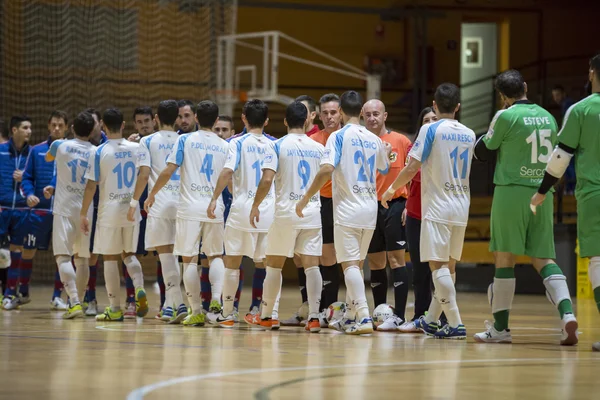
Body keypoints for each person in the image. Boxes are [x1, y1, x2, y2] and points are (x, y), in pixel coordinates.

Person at [472, 70, 578, 345]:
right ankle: (567, 315)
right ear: (526, 87)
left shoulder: (505, 115)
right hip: (542, 192)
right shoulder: (548, 116)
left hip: (511, 192)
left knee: (504, 258)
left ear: (503, 96)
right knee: (544, 258)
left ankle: (500, 329)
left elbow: (484, 151)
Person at [382, 83, 475, 339]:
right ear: (458, 106)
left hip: (438, 206)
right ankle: (432, 320)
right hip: (461, 205)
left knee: (438, 267)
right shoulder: (468, 132)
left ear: (435, 104)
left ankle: (455, 323)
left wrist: (391, 190)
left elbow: (412, 167)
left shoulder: (430, 129)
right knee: (450, 267)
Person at [298, 90, 391, 335]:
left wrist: (307, 196)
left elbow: (326, 169)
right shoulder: (375, 139)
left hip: (347, 209)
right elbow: (385, 167)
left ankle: (362, 316)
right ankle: (350, 315)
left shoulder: (337, 137)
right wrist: (386, 150)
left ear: (340, 112)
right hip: (370, 208)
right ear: (361, 112)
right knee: (357, 265)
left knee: (349, 265)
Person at [531, 54, 600, 351]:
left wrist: (542, 190)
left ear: (591, 72)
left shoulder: (581, 110)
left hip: (594, 194)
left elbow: (561, 157)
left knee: (598, 260)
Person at [147, 100, 228, 327]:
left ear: (197, 119)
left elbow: (169, 170)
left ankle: (196, 310)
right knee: (215, 256)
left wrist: (152, 193)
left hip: (190, 208)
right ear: (216, 120)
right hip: (215, 207)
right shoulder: (224, 145)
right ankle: (215, 300)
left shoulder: (185, 140)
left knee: (189, 259)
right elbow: (227, 176)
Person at [247, 101, 325, 332]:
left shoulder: (277, 146)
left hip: (285, 213)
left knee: (274, 265)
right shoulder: (318, 148)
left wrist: (255, 205)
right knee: (312, 266)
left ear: (285, 121)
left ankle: (268, 315)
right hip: (311, 211)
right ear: (307, 121)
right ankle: (313, 317)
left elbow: (267, 179)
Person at [208, 99, 276, 328]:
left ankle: (228, 313)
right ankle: (268, 313)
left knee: (232, 262)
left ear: (244, 118)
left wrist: (215, 198)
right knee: (268, 264)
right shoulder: (275, 144)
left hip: (241, 210)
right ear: (266, 120)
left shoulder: (235, 144)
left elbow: (227, 172)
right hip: (267, 212)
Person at [80, 108, 148, 321]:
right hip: (131, 210)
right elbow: (145, 175)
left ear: (103, 126)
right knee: (128, 254)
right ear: (124, 124)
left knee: (109, 258)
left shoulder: (98, 151)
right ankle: (138, 288)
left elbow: (91, 186)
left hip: (109, 211)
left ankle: (115, 308)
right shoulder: (138, 147)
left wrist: (83, 213)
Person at [282, 93, 342, 327]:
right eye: (325, 113)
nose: (329, 117)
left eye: (333, 112)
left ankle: (331, 310)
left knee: (332, 258)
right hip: (317, 202)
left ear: (341, 114)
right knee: (305, 257)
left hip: (342, 201)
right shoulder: (313, 140)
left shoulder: (345, 137)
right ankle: (310, 308)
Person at [128, 100, 187, 323]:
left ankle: (177, 303)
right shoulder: (185, 139)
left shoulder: (148, 140)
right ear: (178, 119)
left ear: (155, 119)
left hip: (160, 203)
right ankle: (172, 306)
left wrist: (134, 203)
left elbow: (144, 175)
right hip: (183, 203)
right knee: (179, 256)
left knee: (166, 256)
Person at [362, 99, 412, 331]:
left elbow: (415, 174)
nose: (372, 118)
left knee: (396, 259)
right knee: (376, 262)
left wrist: (409, 204)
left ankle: (399, 315)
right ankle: (380, 313)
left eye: (376, 114)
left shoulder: (401, 141)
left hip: (395, 206)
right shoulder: (360, 143)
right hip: (369, 207)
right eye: (368, 114)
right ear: (362, 117)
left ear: (385, 116)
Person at [44, 111, 97, 319]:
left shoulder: (60, 146)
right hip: (85, 210)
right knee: (82, 259)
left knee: (63, 256)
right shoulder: (96, 151)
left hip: (64, 209)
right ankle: (80, 301)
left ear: (72, 127)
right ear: (92, 130)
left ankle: (74, 301)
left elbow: (48, 157)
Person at [20, 111, 69, 311]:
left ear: (66, 127)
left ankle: (57, 296)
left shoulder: (72, 150)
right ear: (49, 126)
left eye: (60, 125)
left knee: (63, 255)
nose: (57, 128)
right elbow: (26, 178)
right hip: (39, 212)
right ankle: (22, 293)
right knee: (28, 251)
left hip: (63, 211)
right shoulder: (36, 150)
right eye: (54, 125)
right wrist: (30, 194)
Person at [398, 107, 439, 333]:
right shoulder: (416, 147)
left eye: (435, 118)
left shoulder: (444, 146)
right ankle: (420, 315)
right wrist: (405, 203)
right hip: (415, 213)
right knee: (419, 269)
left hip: (436, 213)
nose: (431, 122)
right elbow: (410, 177)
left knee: (439, 269)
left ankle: (439, 316)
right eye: (426, 120)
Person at [0, 116, 31, 310]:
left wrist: (26, 177)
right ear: (14, 130)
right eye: (25, 128)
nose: (29, 131)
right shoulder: (1, 151)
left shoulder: (33, 154)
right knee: (2, 253)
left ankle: (10, 293)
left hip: (21, 209)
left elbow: (37, 180)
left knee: (16, 251)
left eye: (30, 128)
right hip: (2, 208)